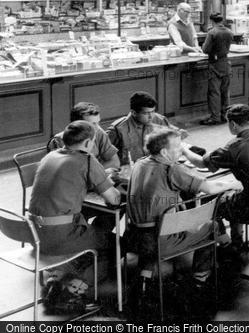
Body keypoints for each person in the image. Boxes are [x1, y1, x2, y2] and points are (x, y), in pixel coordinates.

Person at [124, 128, 242, 285]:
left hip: (133, 237)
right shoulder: (171, 169)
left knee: (164, 218)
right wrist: (233, 183)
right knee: (211, 227)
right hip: (159, 241)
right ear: (165, 152)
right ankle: (200, 280)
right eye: (178, 146)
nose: (182, 149)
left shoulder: (140, 163)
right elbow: (210, 188)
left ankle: (144, 280)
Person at [195, 104, 249, 248]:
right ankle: (237, 240)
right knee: (236, 194)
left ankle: (225, 242)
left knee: (208, 198)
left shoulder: (234, 147)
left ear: (233, 124)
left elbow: (201, 163)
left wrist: (183, 149)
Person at [29, 121, 121, 257]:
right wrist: (108, 181)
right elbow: (114, 200)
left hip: (34, 234)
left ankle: (71, 269)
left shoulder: (49, 156)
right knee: (119, 243)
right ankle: (80, 274)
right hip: (61, 237)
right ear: (87, 143)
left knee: (98, 230)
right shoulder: (87, 160)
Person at [107, 91, 202, 166]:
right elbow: (104, 157)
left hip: (157, 166)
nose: (151, 116)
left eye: (153, 111)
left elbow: (172, 136)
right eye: (146, 113)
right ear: (134, 112)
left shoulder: (159, 119)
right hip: (132, 171)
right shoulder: (118, 130)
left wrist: (179, 135)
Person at [48, 102, 120, 170]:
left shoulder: (99, 133)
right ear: (77, 125)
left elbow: (115, 162)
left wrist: (94, 174)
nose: (97, 128)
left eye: (98, 122)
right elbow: (62, 172)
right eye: (93, 124)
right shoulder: (58, 141)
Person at [200, 12, 233, 125]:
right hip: (226, 63)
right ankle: (225, 115)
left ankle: (215, 117)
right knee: (225, 91)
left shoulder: (212, 32)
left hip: (215, 64)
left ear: (211, 21)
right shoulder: (229, 32)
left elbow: (205, 49)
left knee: (214, 92)